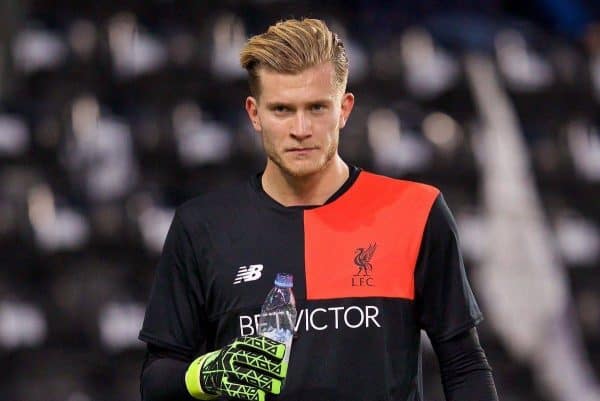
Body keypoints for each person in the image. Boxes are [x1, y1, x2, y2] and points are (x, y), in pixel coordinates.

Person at [139, 18, 499, 401]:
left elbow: (463, 363)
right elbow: (156, 378)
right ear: (254, 114)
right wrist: (205, 374)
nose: (300, 128)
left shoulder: (416, 211)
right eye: (281, 109)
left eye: (316, 107)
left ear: (344, 109)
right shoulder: (202, 226)